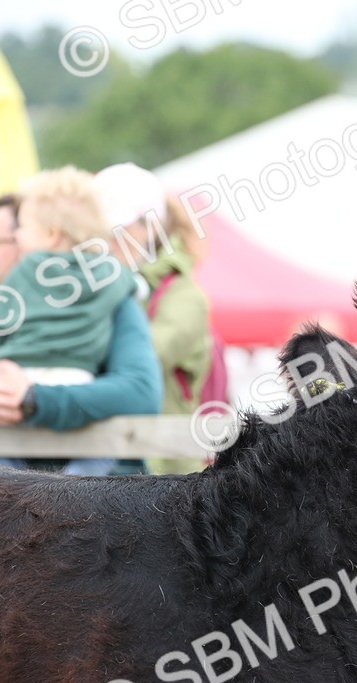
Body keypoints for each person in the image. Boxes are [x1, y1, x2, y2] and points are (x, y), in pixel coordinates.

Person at [0, 190, 162, 473]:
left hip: (111, 492)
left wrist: (33, 398)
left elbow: (142, 391)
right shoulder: (3, 315)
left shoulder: (114, 301)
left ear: (43, 241)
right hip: (24, 491)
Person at [0, 166, 138, 476]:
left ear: (51, 234)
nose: (16, 235)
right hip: (77, 381)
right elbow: (130, 285)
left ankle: (10, 481)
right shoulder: (108, 271)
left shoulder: (25, 270)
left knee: (5, 450)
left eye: (22, 227)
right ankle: (77, 479)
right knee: (99, 450)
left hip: (18, 380)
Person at [94, 162, 219, 475]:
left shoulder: (184, 296)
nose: (103, 243)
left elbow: (136, 363)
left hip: (167, 479)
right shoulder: (98, 285)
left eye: (115, 231)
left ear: (148, 229)